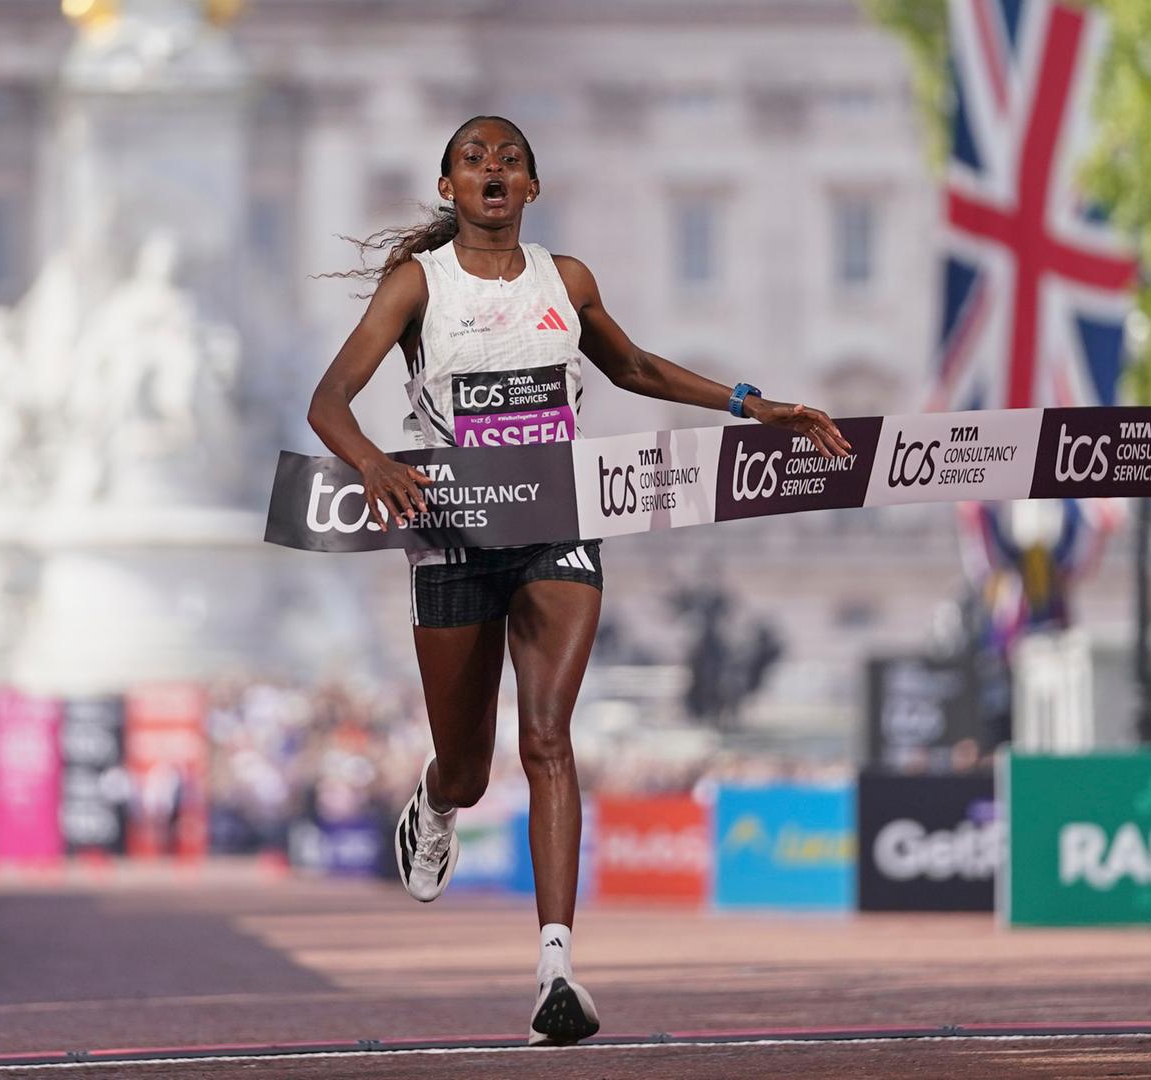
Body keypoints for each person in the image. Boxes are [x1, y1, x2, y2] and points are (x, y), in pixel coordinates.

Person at [305, 115, 851, 1046]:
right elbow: (328, 400)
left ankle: (556, 966)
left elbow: (632, 367)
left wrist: (754, 406)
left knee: (549, 737)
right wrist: (373, 463)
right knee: (470, 767)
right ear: (448, 188)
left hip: (560, 524)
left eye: (509, 159)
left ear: (531, 187)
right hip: (451, 534)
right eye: (473, 159)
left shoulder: (567, 280)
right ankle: (435, 801)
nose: (492, 168)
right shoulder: (417, 286)